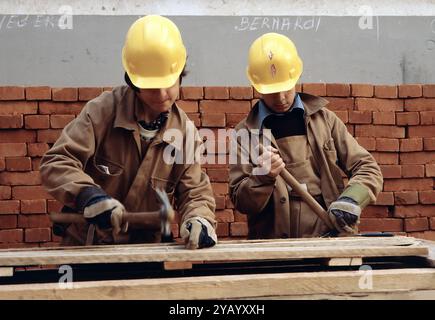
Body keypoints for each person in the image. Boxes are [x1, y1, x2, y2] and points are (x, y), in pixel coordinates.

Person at [40, 15, 217, 249]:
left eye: (170, 83)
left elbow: (194, 191)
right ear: (134, 82)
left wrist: (200, 218)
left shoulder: (184, 133)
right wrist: (88, 195)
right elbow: (57, 162)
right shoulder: (102, 112)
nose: (163, 94)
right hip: (89, 248)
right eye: (153, 88)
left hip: (146, 252)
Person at [229, 33, 383, 239]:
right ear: (256, 86)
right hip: (274, 250)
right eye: (272, 91)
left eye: (286, 88)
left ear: (297, 77)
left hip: (330, 240)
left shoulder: (325, 121)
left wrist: (352, 199)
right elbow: (242, 203)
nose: (281, 98)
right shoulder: (245, 134)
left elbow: (368, 167)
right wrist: (262, 177)